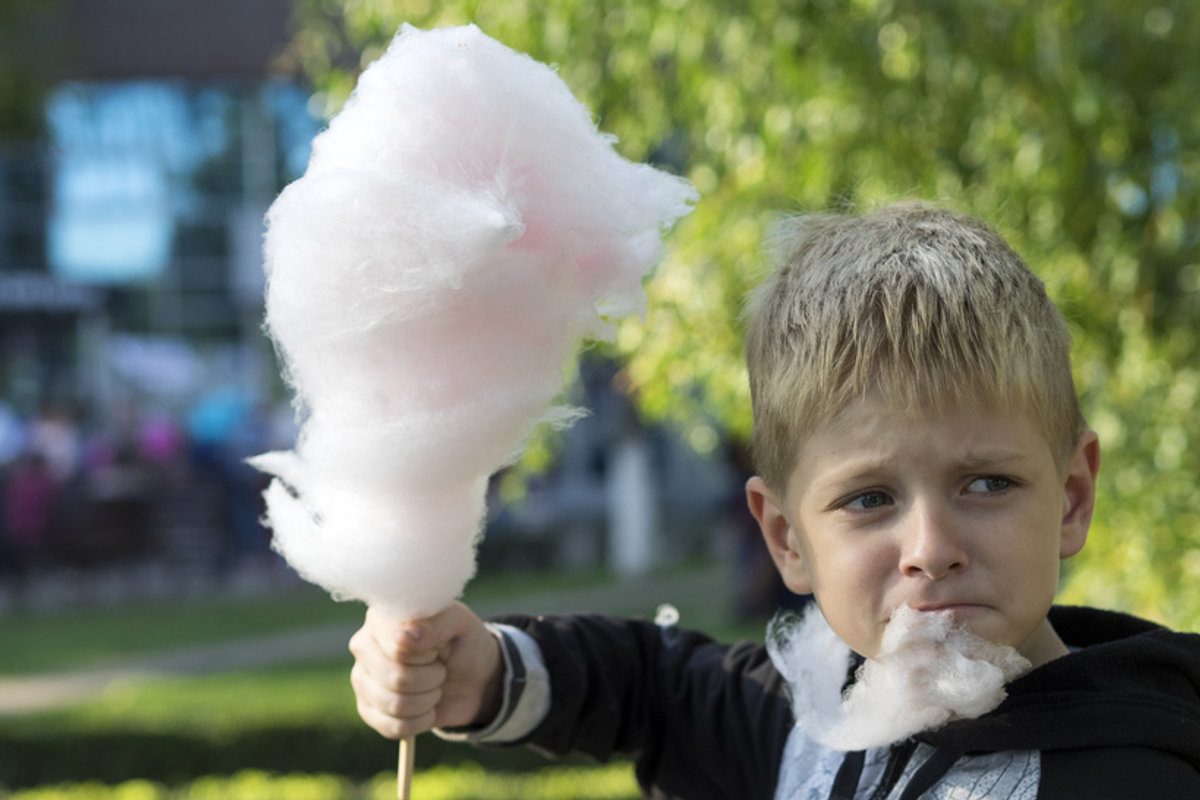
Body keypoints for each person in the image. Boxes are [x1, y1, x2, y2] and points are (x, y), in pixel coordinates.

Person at [348, 203, 1200, 798]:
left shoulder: (1142, 775)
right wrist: (484, 673)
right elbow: (656, 688)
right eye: (869, 499)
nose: (931, 545)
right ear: (787, 539)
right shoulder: (815, 718)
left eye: (987, 483)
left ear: (1072, 497)